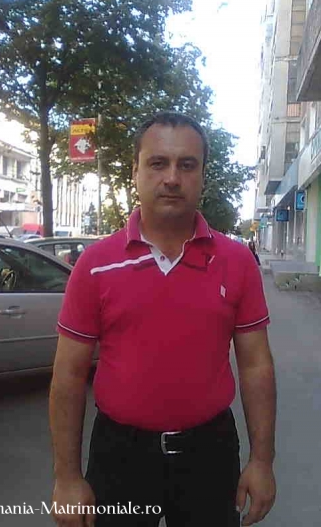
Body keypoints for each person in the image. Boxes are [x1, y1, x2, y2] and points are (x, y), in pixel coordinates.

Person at [49, 111, 276, 527]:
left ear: (202, 176)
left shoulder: (237, 262)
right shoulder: (95, 265)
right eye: (158, 163)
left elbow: (256, 365)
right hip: (120, 455)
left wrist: (262, 461)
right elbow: (68, 374)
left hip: (209, 453)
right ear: (135, 172)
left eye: (187, 165)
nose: (172, 178)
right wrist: (66, 477)